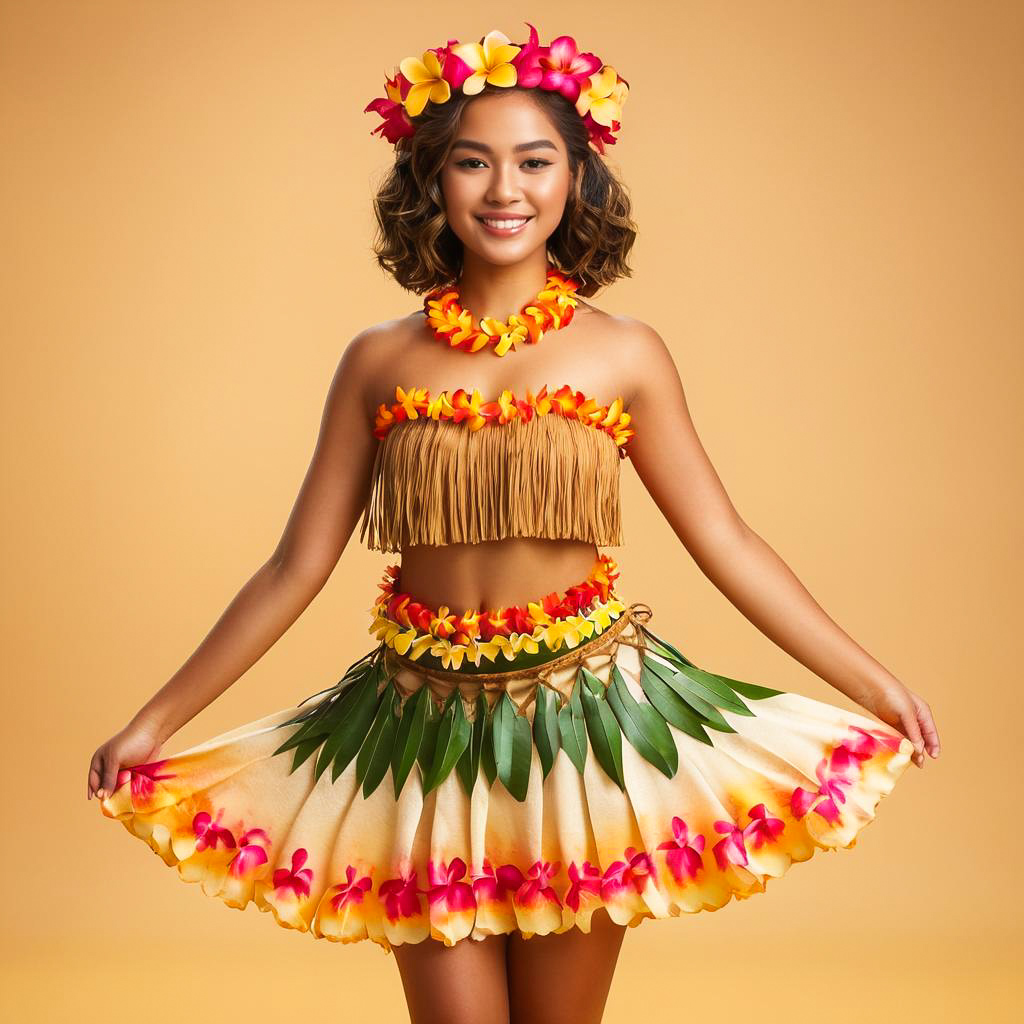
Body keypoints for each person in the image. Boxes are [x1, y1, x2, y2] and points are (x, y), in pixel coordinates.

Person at [87, 25, 940, 1024]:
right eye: (472, 161)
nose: (505, 189)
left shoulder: (625, 355)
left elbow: (729, 543)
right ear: (431, 183)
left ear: (576, 179)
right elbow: (293, 567)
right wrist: (154, 721)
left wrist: (871, 680)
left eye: (534, 161)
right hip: (420, 727)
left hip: (585, 728)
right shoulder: (378, 360)